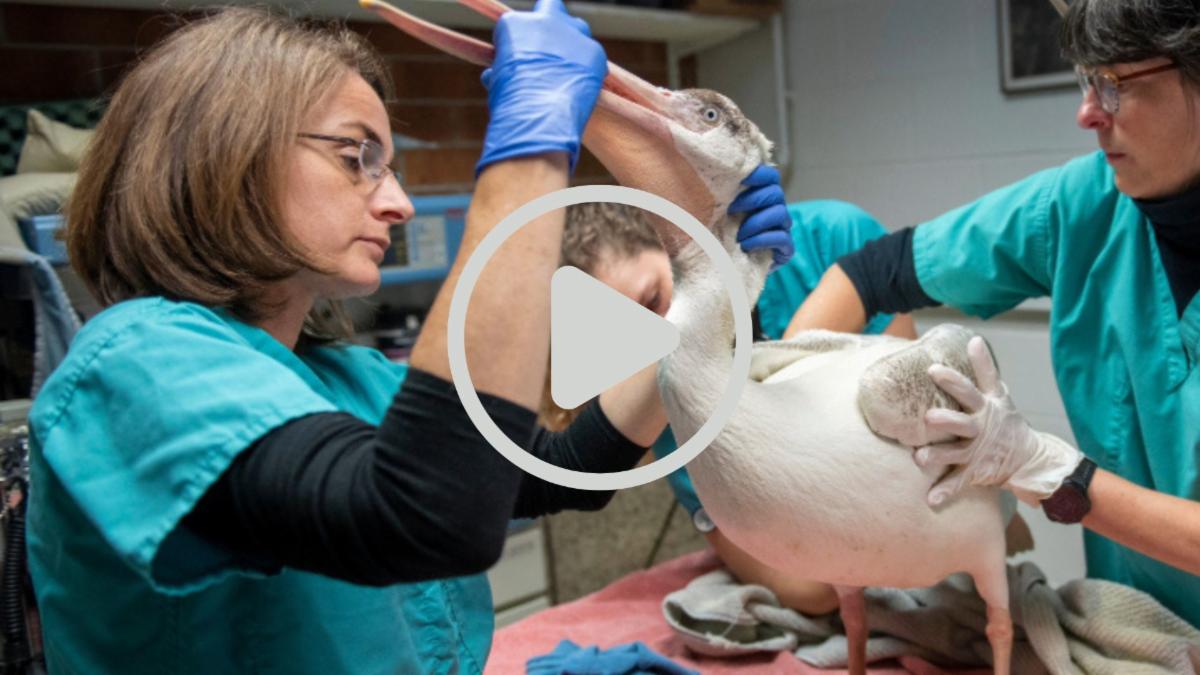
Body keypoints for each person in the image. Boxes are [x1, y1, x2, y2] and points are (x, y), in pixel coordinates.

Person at [25, 4, 794, 674]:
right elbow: (423, 512)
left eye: (388, 165)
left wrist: (722, 277)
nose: (394, 204)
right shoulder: (136, 366)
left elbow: (558, 468)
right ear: (222, 149)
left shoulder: (346, 380)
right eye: (357, 157)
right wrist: (531, 145)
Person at [792, 0, 1200, 627]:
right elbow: (872, 274)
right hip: (1131, 630)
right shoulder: (1083, 204)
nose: (1087, 113)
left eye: (1115, 85)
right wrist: (789, 407)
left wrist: (1051, 470)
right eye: (1086, 80)